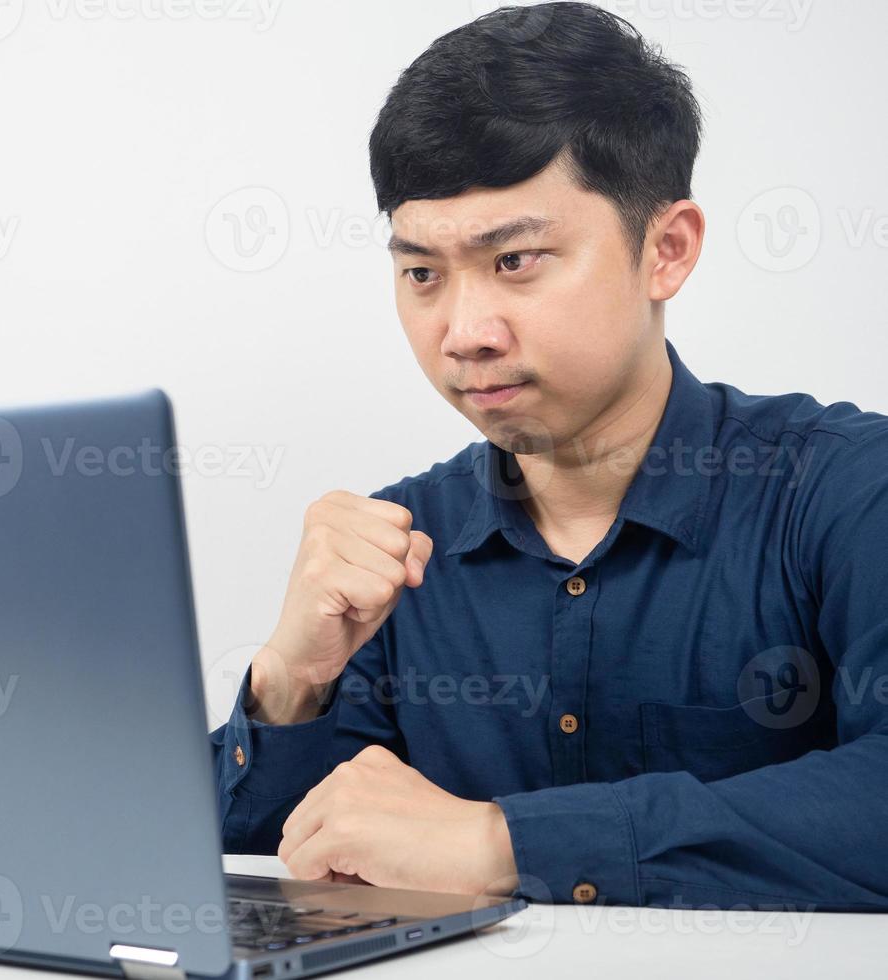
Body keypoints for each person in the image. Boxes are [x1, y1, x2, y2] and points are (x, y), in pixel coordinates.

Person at [209, 1, 888, 910]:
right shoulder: (393, 558)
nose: (463, 332)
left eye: (516, 260)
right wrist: (292, 679)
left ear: (667, 250)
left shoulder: (842, 491)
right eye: (420, 273)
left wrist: (503, 842)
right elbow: (266, 885)